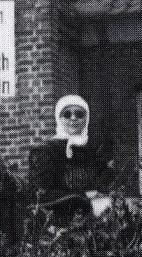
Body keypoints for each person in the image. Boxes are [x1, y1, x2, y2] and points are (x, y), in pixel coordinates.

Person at [29, 95, 113, 224]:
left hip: (93, 222)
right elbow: (41, 194)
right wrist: (83, 196)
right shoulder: (46, 151)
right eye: (67, 114)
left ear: (86, 119)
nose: (73, 118)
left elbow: (104, 185)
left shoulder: (91, 152)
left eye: (79, 114)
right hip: (57, 223)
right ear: (59, 118)